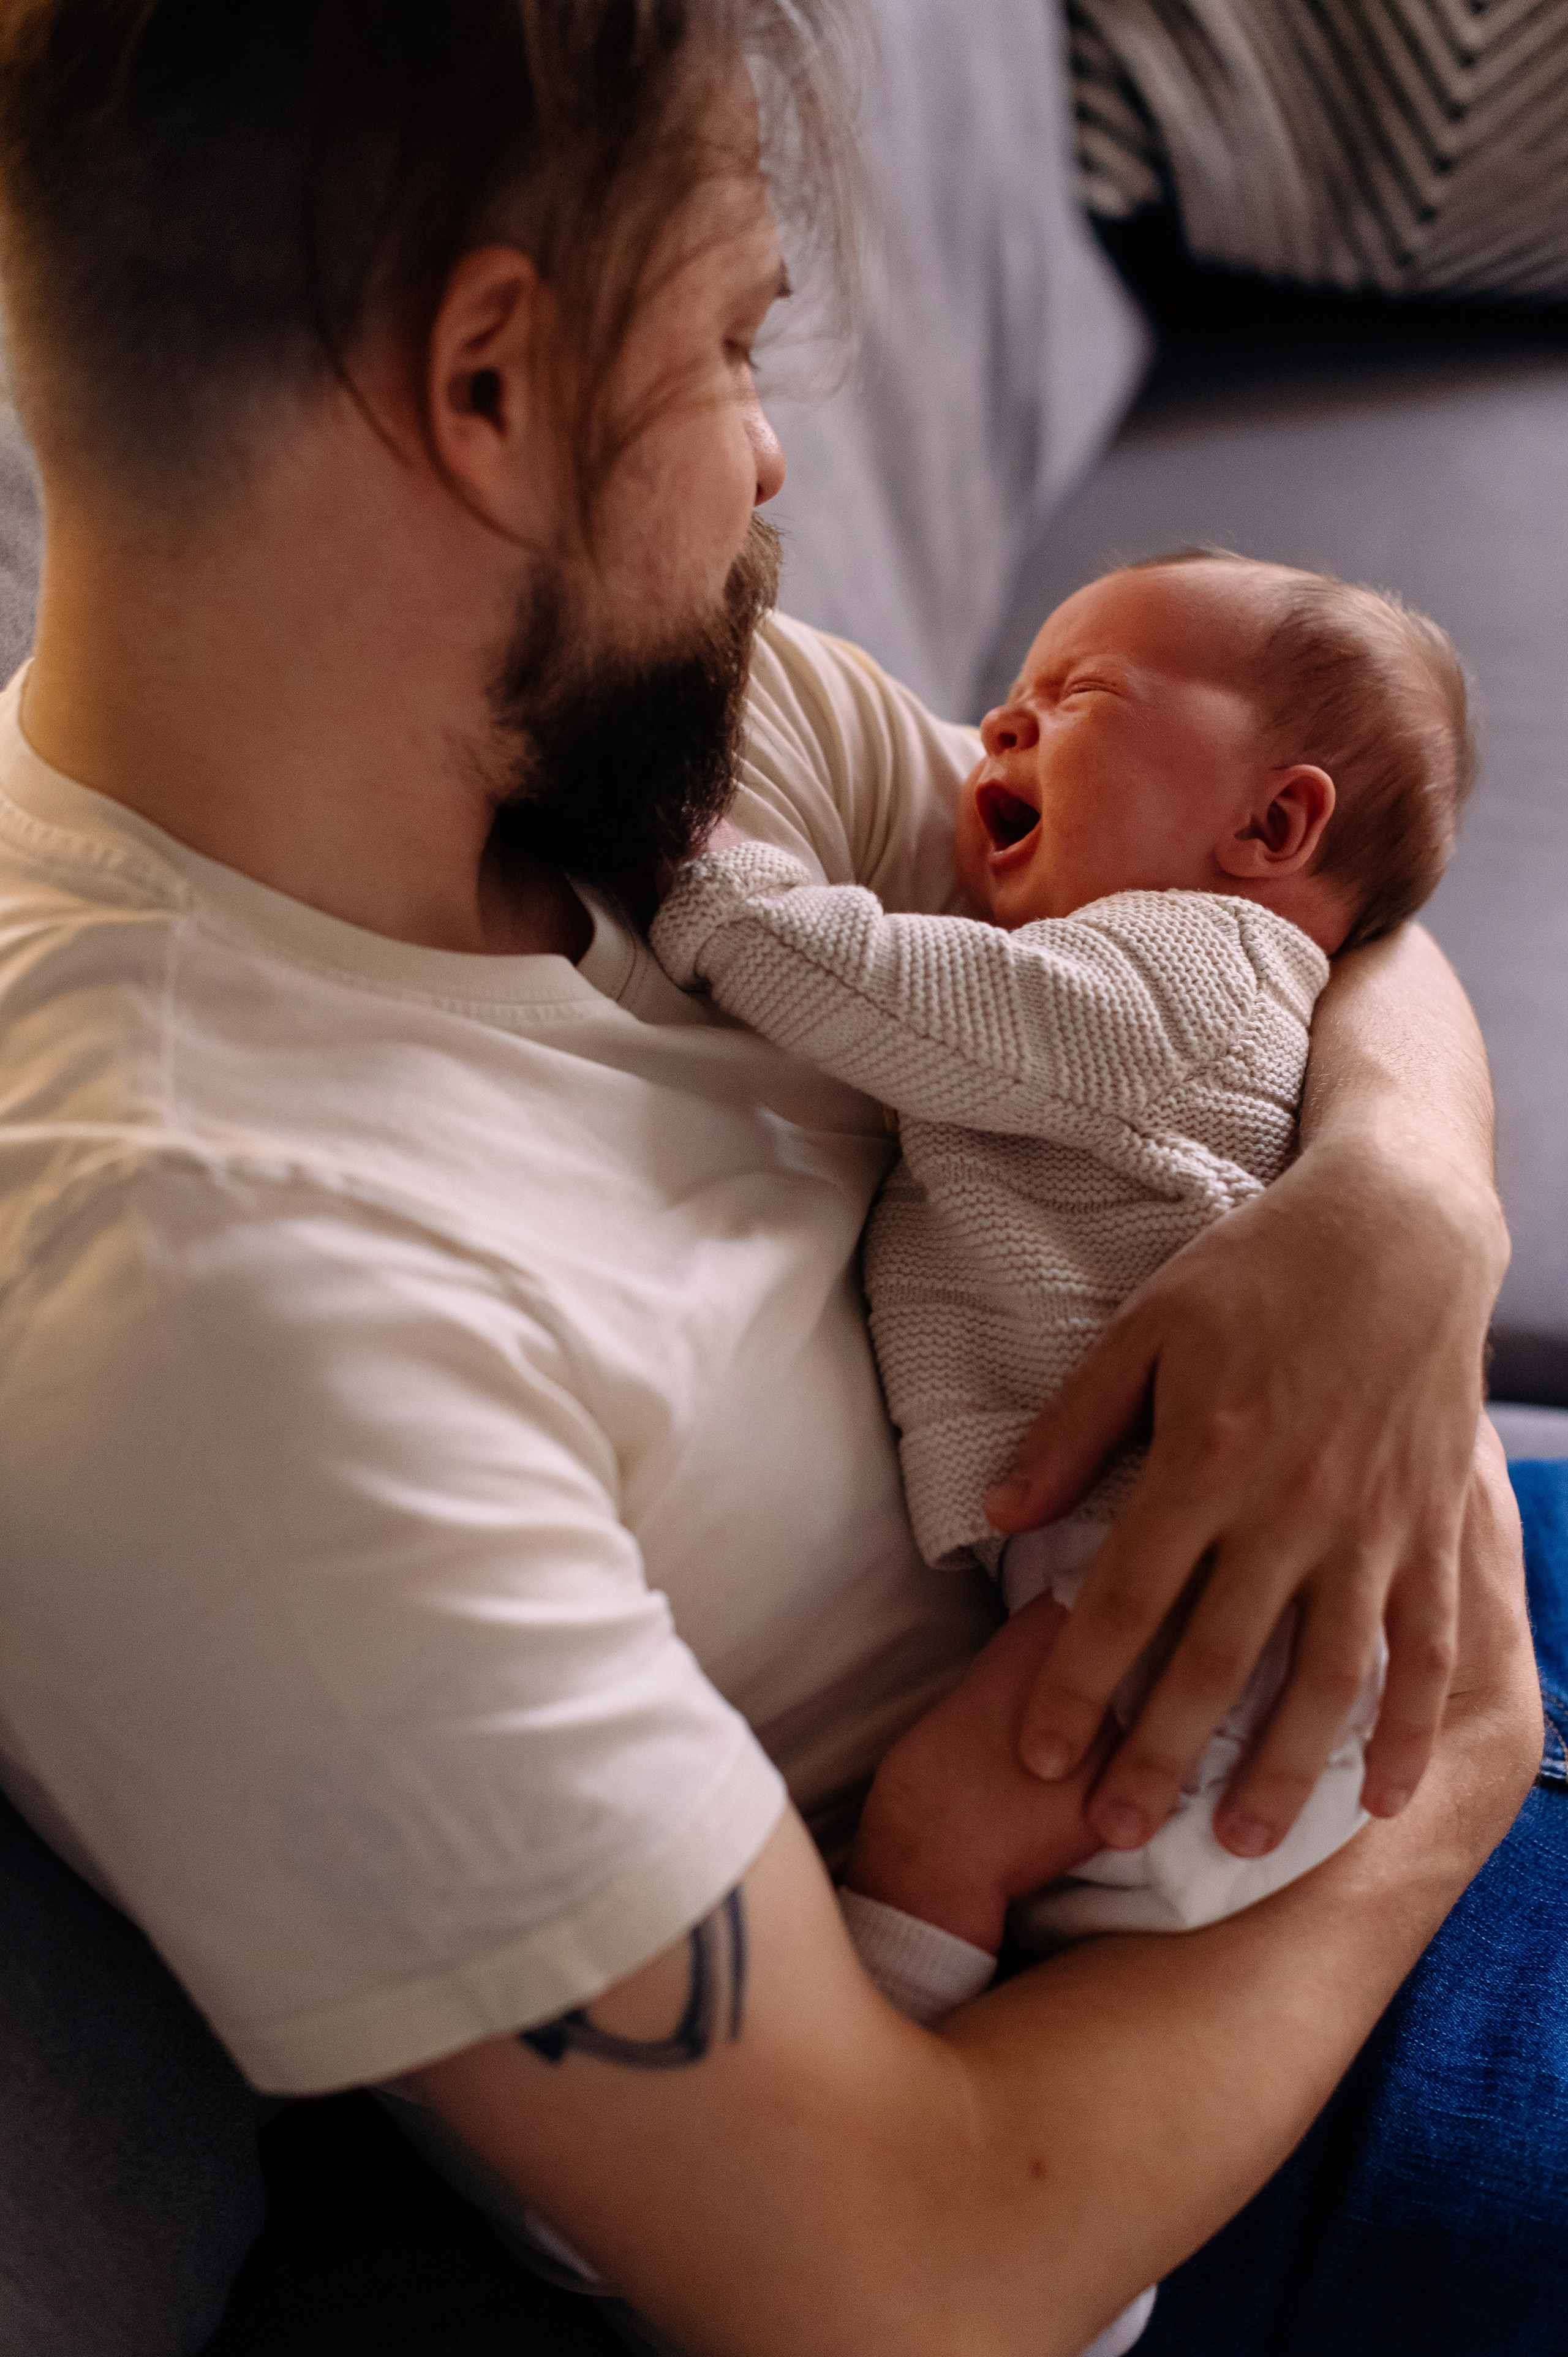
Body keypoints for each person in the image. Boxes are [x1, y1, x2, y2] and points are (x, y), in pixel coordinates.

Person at [0, 8, 1544, 2357]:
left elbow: (1277, 933)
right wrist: (1468, 1763)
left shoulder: (644, 721)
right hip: (1170, 2052)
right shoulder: (220, 1305)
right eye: (731, 340)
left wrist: (1407, 1211)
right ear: (488, 383)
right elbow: (906, 2262)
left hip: (1324, 1638)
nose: (771, 452)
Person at [651, 551, 1472, 1948]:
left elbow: (885, 990)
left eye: (1079, 694)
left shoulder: (1189, 972)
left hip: (1202, 1583)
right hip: (1200, 1583)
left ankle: (901, 2037)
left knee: (937, 1820)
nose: (999, 726)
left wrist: (705, 872)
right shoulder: (1204, 980)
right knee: (1052, 1896)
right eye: (1012, 695)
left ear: (1274, 821)